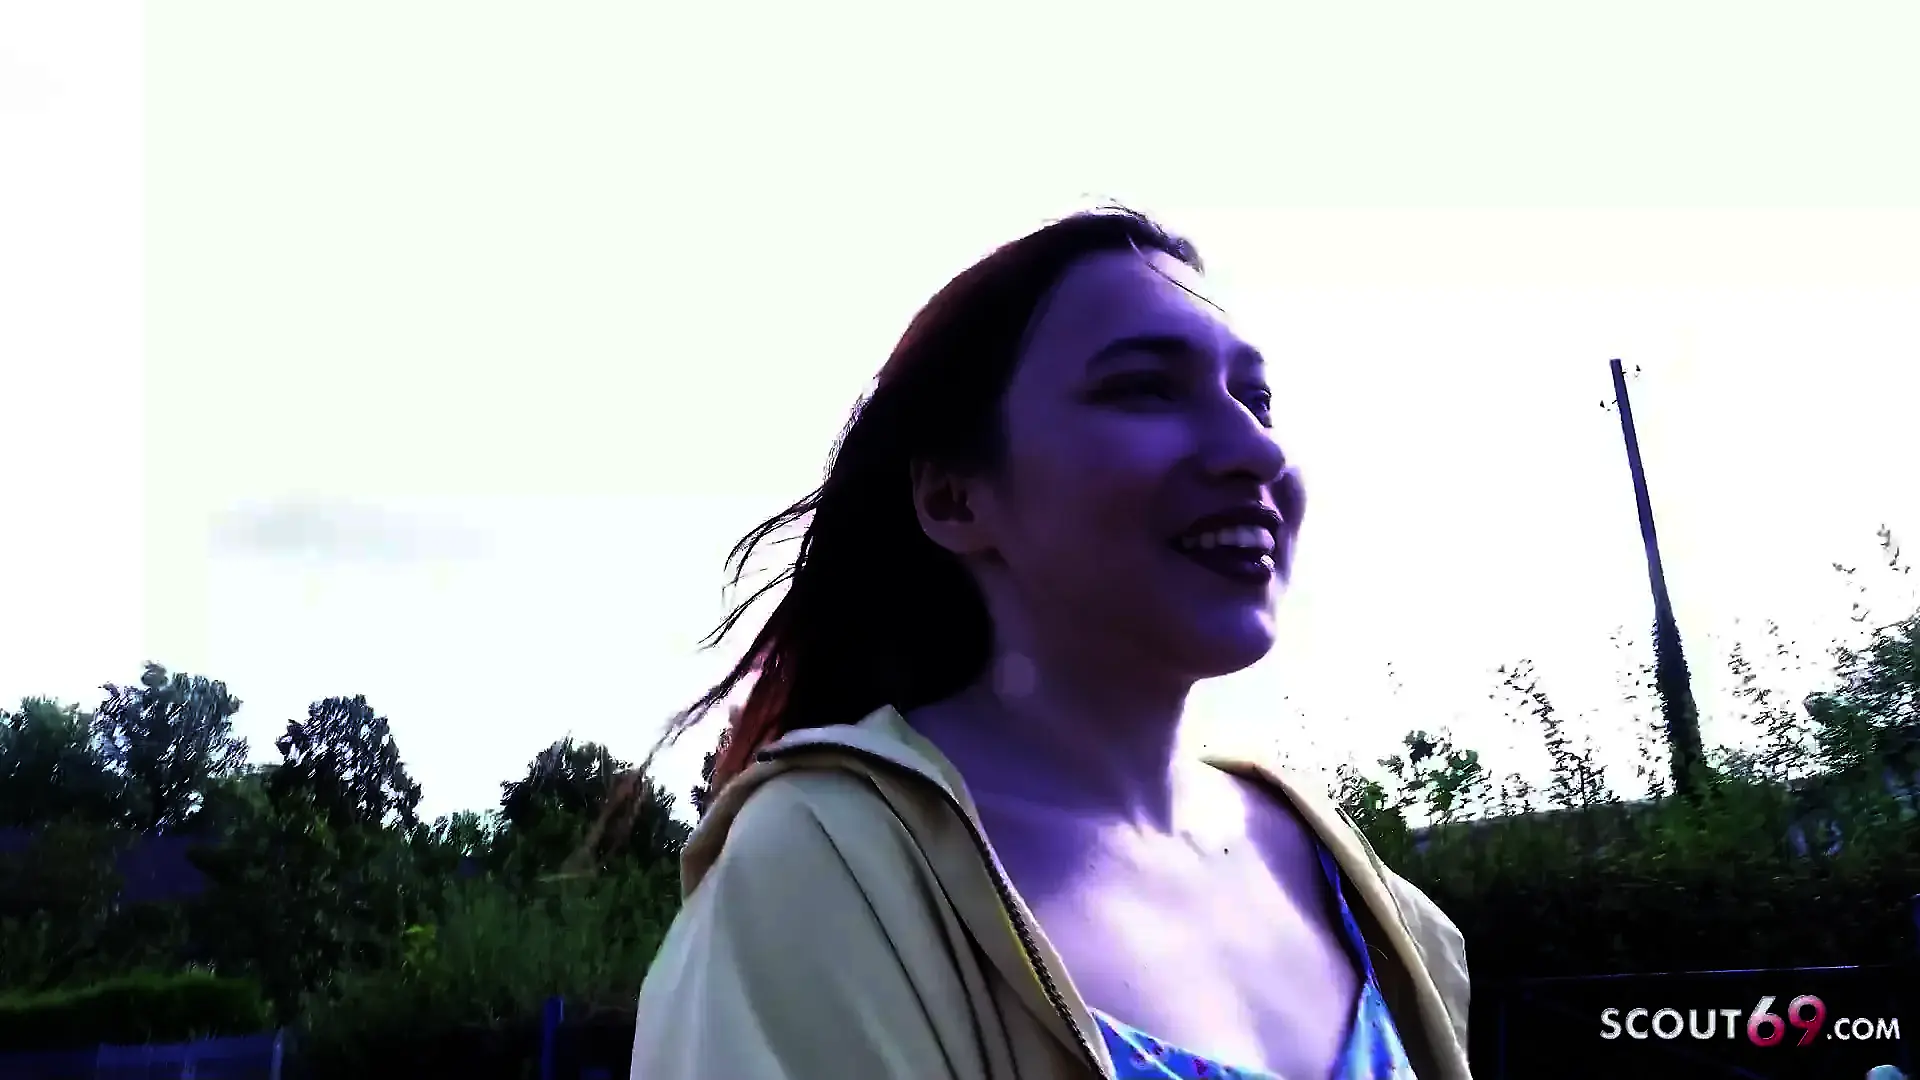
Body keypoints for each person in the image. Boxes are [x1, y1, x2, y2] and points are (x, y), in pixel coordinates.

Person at [631, 208, 1472, 1080]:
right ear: (956, 498)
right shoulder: (821, 870)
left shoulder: (1353, 882)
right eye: (1144, 387)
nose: (1254, 449)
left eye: (1256, 401)